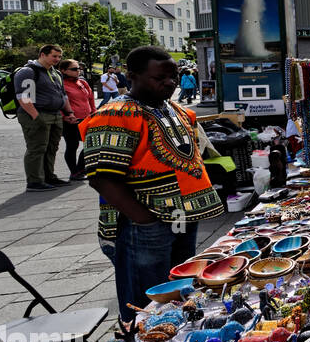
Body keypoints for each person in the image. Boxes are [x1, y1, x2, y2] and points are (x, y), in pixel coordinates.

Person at [81, 46, 225, 322]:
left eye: (173, 77)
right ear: (132, 76)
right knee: (146, 299)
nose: (170, 83)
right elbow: (101, 177)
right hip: (146, 223)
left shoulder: (174, 110)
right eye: (160, 78)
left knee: (180, 286)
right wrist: (143, 218)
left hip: (183, 216)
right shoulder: (116, 114)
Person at [13, 44, 70, 192]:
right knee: (37, 148)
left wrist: (69, 113)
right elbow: (24, 97)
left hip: (55, 114)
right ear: (42, 55)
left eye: (59, 57)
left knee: (51, 148)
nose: (57, 59)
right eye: (54, 56)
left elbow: (63, 94)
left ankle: (48, 176)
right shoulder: (28, 71)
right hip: (37, 114)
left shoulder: (55, 73)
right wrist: (36, 117)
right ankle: (34, 181)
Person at [58, 58, 94, 180]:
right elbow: (58, 102)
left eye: (79, 68)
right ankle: (74, 172)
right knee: (72, 145)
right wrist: (65, 116)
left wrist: (94, 113)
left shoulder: (82, 83)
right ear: (63, 70)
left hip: (87, 119)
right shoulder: (60, 84)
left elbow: (90, 99)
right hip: (71, 121)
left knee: (91, 144)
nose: (78, 71)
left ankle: (81, 168)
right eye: (74, 69)